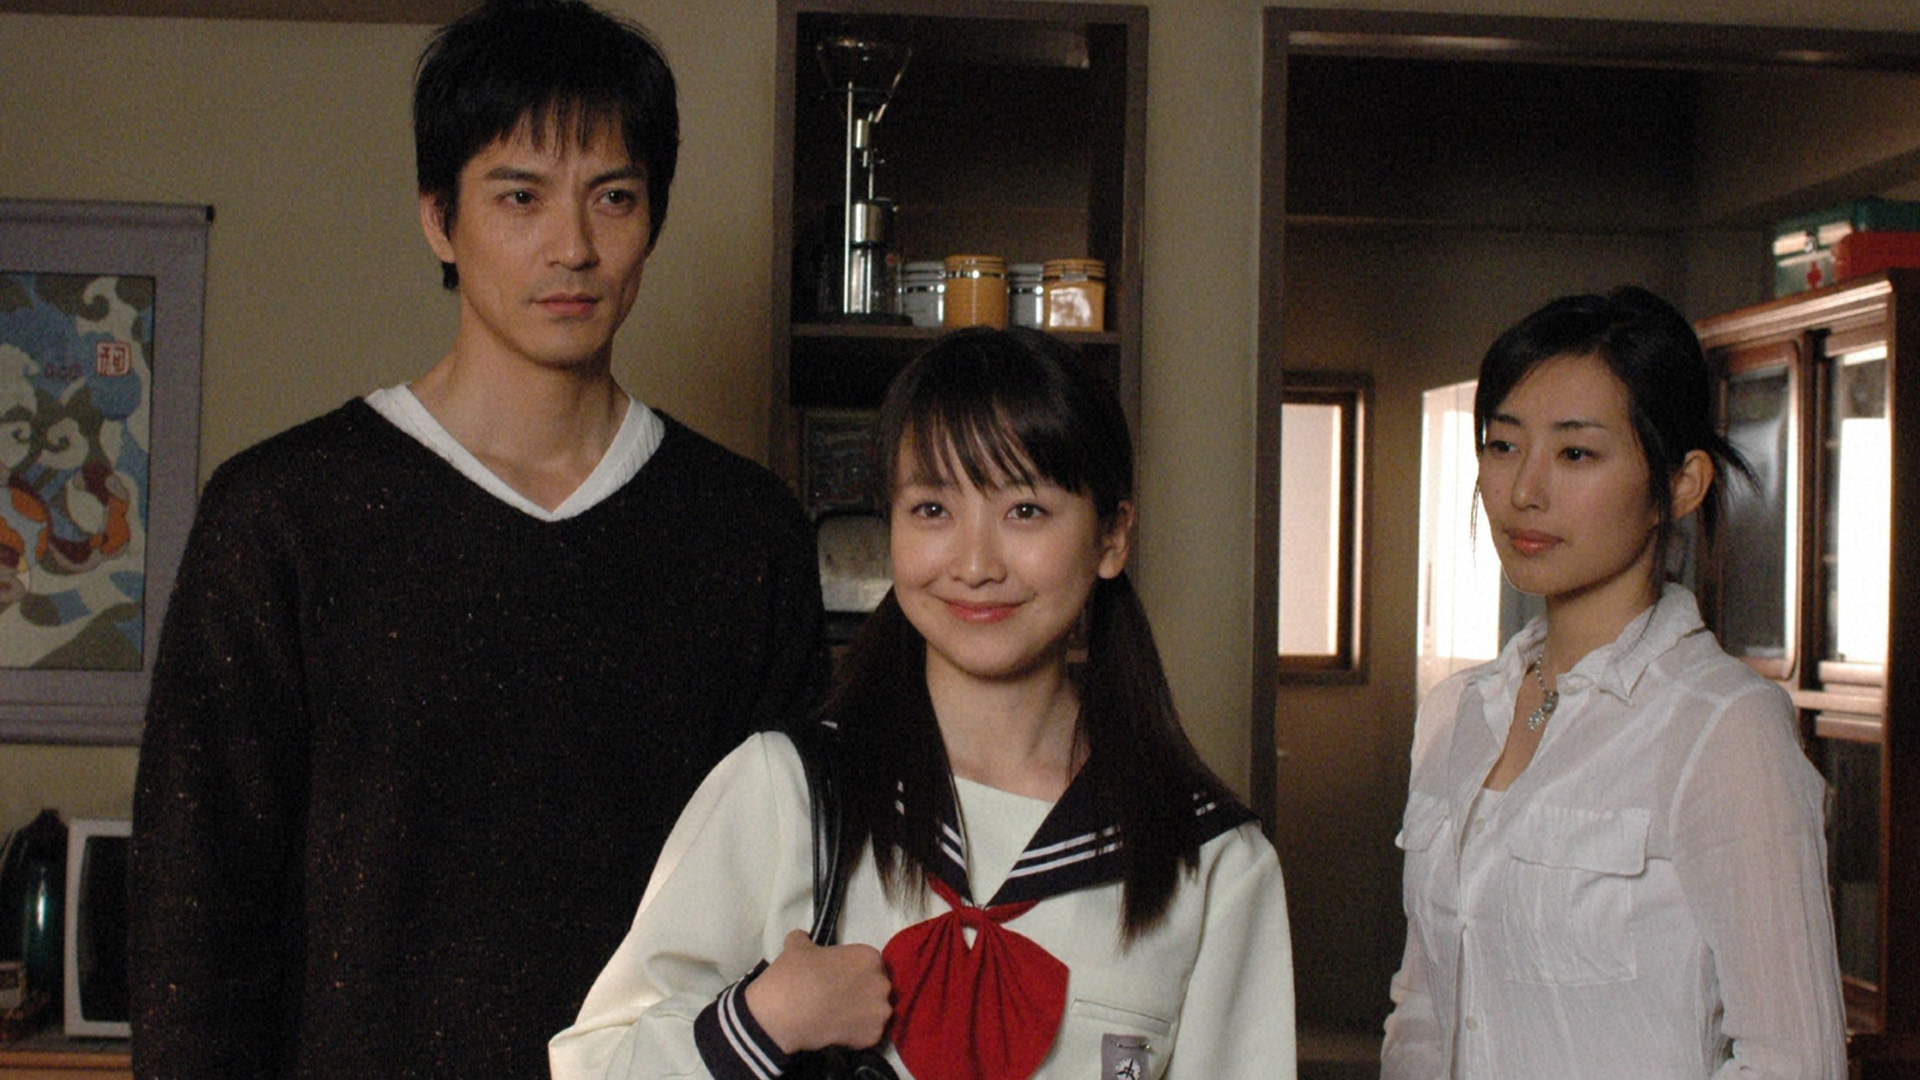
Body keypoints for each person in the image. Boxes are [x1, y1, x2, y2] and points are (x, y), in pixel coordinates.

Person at [127, 2, 830, 1076]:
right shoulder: (283, 514)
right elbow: (196, 928)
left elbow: (795, 905)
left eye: (614, 197)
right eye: (520, 196)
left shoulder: (745, 532)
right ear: (438, 219)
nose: (574, 247)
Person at [549, 326, 1297, 1080]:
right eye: (933, 509)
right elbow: (593, 1066)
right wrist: (762, 1020)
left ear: (1111, 537)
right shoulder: (785, 791)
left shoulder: (1213, 863)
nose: (974, 564)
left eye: (1025, 510)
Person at [1381, 286, 1846, 1080]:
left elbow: (1793, 1060)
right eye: (1503, 445)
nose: (1524, 491)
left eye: (1576, 454)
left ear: (1682, 483)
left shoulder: (1723, 727)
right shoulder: (1458, 712)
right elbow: (1424, 1012)